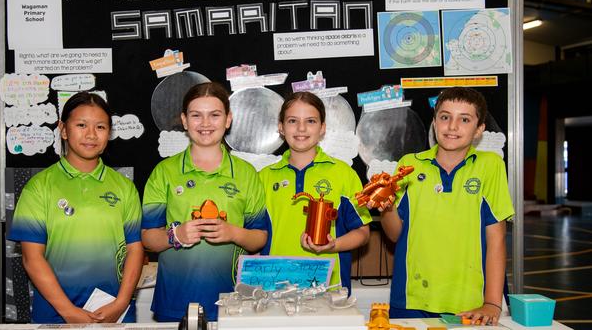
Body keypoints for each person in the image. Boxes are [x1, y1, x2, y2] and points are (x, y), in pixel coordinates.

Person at [378, 87, 514, 325]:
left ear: (479, 129)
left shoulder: (490, 166)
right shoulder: (409, 165)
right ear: (434, 122)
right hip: (411, 298)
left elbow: (496, 239)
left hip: (470, 303)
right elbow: (395, 234)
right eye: (445, 117)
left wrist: (492, 302)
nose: (452, 126)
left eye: (464, 119)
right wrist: (386, 208)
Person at [8, 92, 144, 324]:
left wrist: (120, 303)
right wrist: (70, 312)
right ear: (63, 129)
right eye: (81, 125)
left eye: (100, 127)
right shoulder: (39, 186)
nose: (91, 135)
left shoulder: (124, 187)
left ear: (108, 133)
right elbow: (32, 259)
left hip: (113, 313)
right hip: (55, 314)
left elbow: (135, 249)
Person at [141, 81, 270, 321]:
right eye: (196, 115)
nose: (206, 124)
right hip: (176, 302)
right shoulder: (165, 171)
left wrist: (232, 233)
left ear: (228, 119)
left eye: (214, 115)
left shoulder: (246, 173)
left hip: (233, 301)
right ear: (184, 120)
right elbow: (148, 238)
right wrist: (175, 235)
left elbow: (259, 238)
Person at [259, 91, 372, 291]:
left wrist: (333, 245)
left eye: (310, 121)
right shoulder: (264, 178)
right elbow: (255, 236)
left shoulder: (344, 174)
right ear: (281, 128)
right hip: (275, 288)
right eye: (292, 121)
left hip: (329, 290)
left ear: (322, 129)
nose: (301, 128)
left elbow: (363, 233)